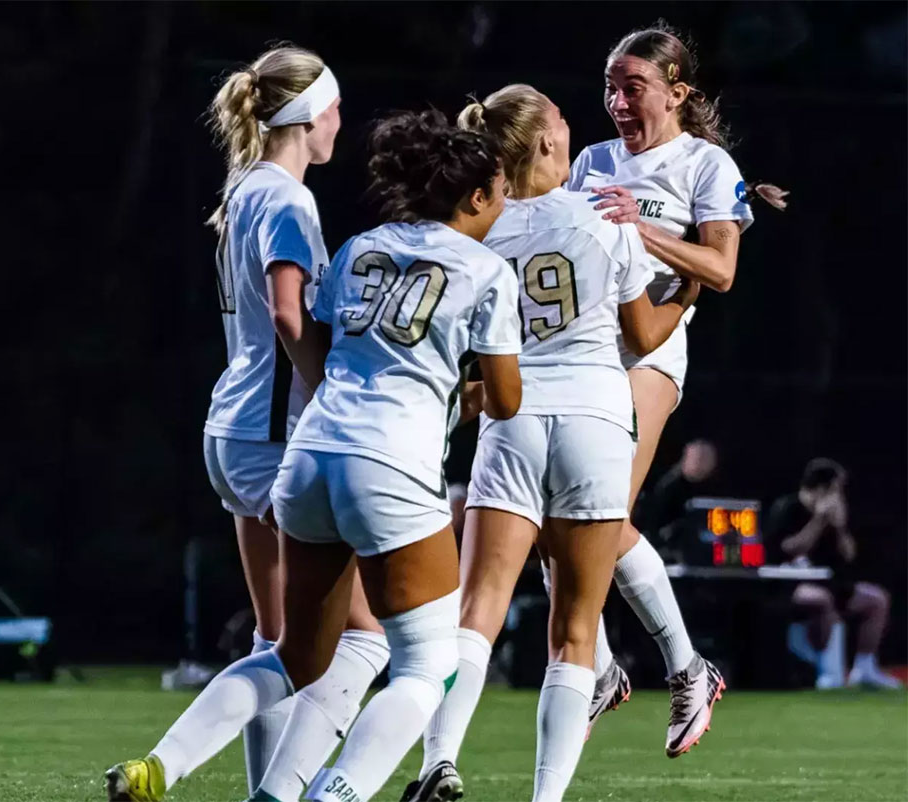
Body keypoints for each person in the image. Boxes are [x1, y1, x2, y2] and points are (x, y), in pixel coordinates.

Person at [104, 46, 390, 802]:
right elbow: (291, 313)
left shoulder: (245, 187)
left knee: (279, 638)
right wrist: (335, 391)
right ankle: (188, 771)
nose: (339, 121)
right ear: (303, 116)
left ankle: (247, 789)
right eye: (331, 107)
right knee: (360, 638)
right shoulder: (290, 200)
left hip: (232, 431)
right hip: (277, 437)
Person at [404, 84, 698, 802]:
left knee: (476, 614)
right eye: (561, 118)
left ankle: (437, 762)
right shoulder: (601, 214)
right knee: (574, 636)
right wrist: (688, 287)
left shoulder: (480, 227)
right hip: (595, 421)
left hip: (513, 420)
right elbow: (643, 336)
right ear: (542, 142)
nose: (572, 125)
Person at [265, 109, 522, 802]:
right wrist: (452, 392)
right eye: (500, 192)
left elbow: (322, 341)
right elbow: (504, 399)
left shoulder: (360, 246)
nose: (505, 205)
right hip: (392, 465)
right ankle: (335, 794)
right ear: (474, 197)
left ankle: (254, 790)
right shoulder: (486, 268)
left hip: (312, 452)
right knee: (428, 665)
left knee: (298, 656)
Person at [564, 23, 784, 756]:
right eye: (609, 85)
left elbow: (719, 270)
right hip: (578, 351)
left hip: (651, 351)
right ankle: (600, 669)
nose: (617, 101)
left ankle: (687, 668)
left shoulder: (704, 163)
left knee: (598, 515)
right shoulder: (590, 160)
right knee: (551, 520)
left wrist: (643, 227)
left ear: (677, 91)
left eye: (633, 86)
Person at [765, 458, 902, 690]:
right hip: (788, 583)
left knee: (876, 599)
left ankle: (865, 668)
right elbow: (790, 548)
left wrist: (839, 527)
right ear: (821, 488)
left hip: (829, 581)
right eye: (836, 487)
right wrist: (818, 520)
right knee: (821, 600)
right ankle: (829, 672)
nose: (839, 493)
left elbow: (849, 555)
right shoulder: (787, 508)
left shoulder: (837, 511)